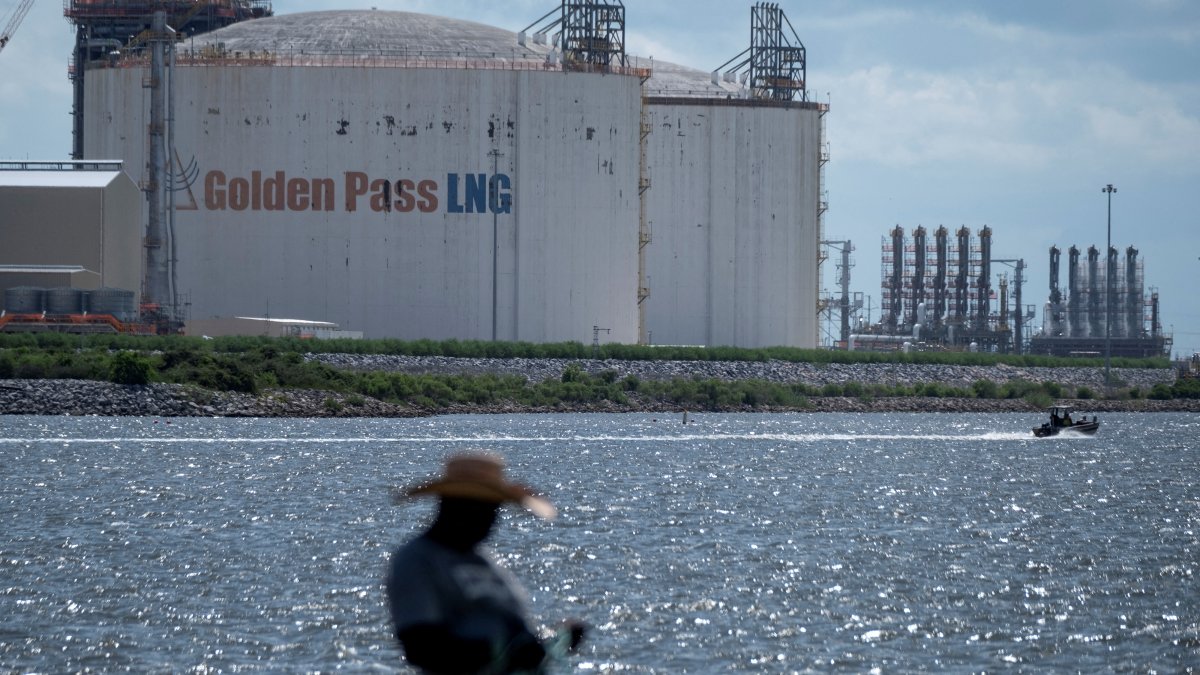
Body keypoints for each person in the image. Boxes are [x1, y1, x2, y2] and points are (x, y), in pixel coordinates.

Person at [386, 451, 585, 674]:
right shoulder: (418, 559)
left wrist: (553, 637)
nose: (492, 519)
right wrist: (503, 652)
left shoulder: (485, 560)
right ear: (453, 506)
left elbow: (512, 633)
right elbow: (421, 649)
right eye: (484, 509)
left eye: (494, 509)